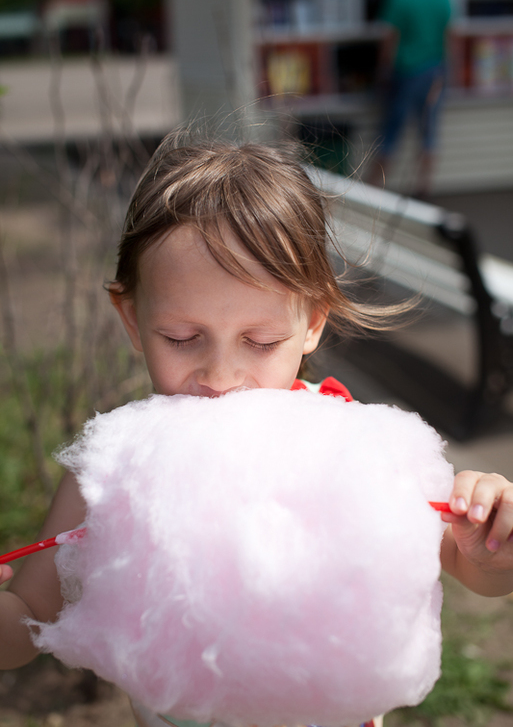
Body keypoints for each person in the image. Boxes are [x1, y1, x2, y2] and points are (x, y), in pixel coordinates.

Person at [0, 131, 512, 727]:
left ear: (313, 322)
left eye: (261, 341)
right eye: (182, 338)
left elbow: (469, 569)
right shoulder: (111, 475)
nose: (221, 378)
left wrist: (489, 546)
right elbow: (27, 621)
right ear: (132, 319)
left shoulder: (349, 447)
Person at [367, 0, 452, 199]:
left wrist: (382, 71)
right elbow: (449, 38)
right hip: (434, 70)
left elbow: (390, 38)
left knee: (391, 130)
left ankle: (373, 187)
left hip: (405, 72)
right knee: (429, 131)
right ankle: (424, 187)